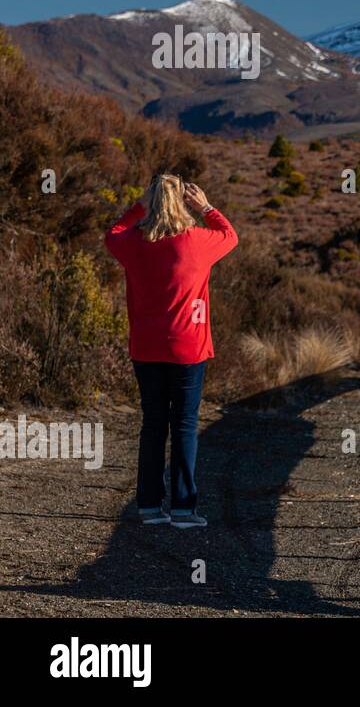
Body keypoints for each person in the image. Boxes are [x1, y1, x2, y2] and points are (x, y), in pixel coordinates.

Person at [105, 174, 238, 528]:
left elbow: (112, 234)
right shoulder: (198, 241)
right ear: (182, 202)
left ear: (151, 201)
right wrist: (206, 207)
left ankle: (149, 506)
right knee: (184, 423)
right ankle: (183, 508)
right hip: (188, 347)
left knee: (153, 424)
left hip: (146, 347)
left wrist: (138, 207)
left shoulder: (134, 243)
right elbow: (231, 235)